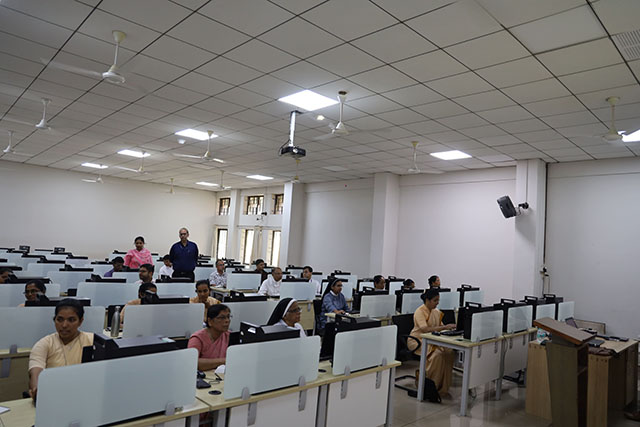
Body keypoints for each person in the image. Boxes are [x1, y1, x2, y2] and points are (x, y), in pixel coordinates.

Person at [28, 299, 94, 400]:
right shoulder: (45, 343)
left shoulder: (92, 341)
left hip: (84, 395)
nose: (64, 325)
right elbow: (35, 369)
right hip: (52, 396)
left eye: (71, 320)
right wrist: (37, 389)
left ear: (80, 321)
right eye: (60, 319)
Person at [408, 288, 456, 395]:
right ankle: (430, 385)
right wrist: (444, 327)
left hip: (432, 340)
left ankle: (443, 387)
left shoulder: (436, 312)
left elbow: (441, 327)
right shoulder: (419, 311)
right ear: (427, 300)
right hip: (418, 340)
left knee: (449, 352)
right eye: (435, 300)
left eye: (438, 300)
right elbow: (425, 329)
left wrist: (450, 329)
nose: (437, 303)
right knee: (437, 355)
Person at [188, 304, 231, 371]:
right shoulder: (197, 338)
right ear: (210, 321)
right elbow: (192, 362)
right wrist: (223, 361)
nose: (227, 320)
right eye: (222, 318)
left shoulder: (229, 335)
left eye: (228, 317)